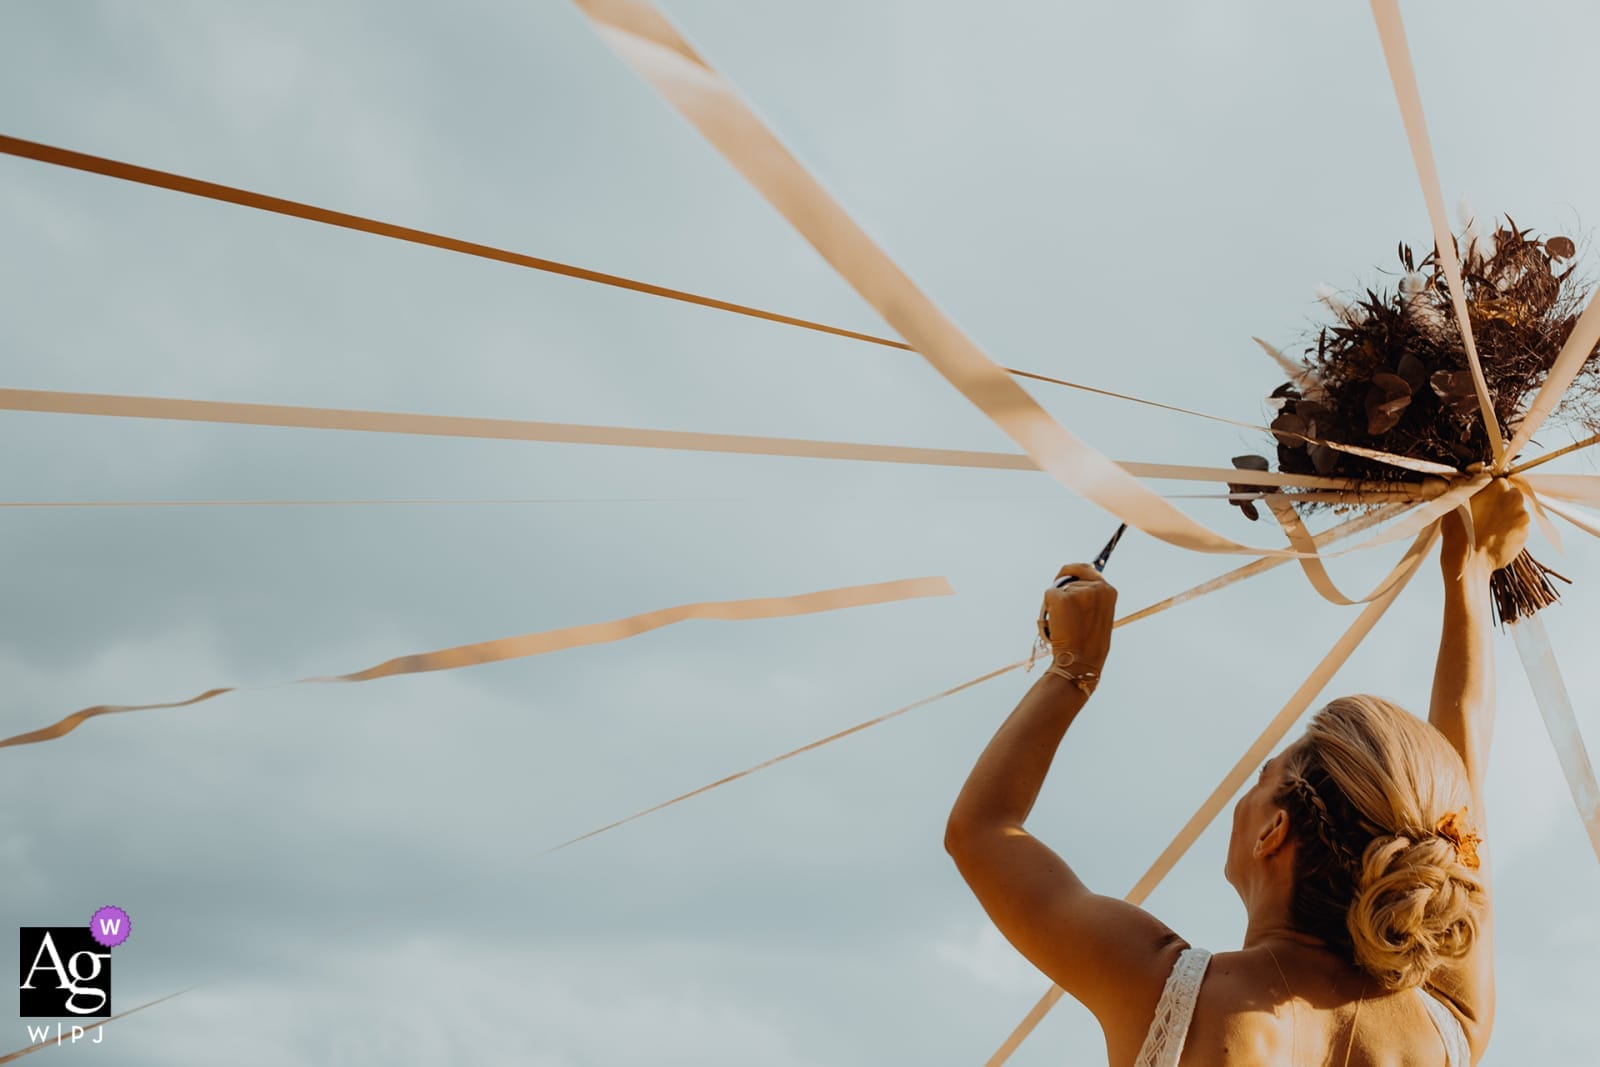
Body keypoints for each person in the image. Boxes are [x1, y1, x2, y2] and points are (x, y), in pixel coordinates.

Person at [944, 481, 1530, 1067]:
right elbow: (1462, 773)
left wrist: (1073, 670)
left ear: (1274, 831)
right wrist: (1472, 568)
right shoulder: (1448, 1027)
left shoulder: (1167, 993)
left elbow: (981, 831)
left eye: (1262, 777)